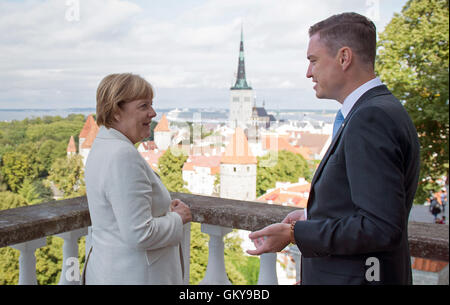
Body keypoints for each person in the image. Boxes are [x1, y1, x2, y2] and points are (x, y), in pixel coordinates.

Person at [247, 13, 420, 285]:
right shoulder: (381, 108)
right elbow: (362, 205)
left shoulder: (370, 118)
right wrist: (311, 217)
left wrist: (296, 234)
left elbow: (381, 227)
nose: (308, 72)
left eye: (313, 60)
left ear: (344, 57)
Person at [82, 73, 192, 284]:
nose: (153, 113)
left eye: (151, 105)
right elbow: (139, 233)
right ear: (116, 112)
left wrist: (161, 210)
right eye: (144, 106)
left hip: (110, 269)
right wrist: (179, 218)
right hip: (135, 275)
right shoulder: (122, 155)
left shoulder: (103, 145)